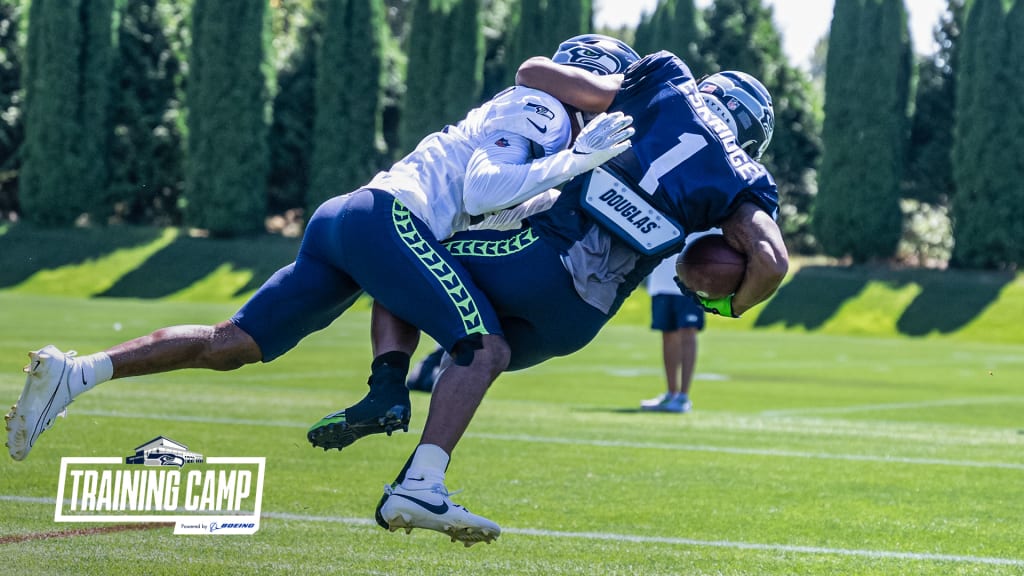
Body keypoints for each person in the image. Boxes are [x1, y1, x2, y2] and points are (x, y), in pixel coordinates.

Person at [5, 36, 639, 546]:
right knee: (485, 349)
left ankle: (77, 373)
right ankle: (420, 486)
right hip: (386, 218)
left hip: (357, 222)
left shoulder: (547, 119)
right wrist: (575, 161)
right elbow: (481, 188)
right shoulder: (544, 108)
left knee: (233, 344)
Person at [337, 50, 790, 544]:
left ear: (713, 88)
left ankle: (387, 385)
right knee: (483, 353)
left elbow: (533, 73)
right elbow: (772, 260)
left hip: (535, 259)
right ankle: (421, 484)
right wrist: (726, 303)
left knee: (403, 248)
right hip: (579, 320)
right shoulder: (743, 174)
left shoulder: (667, 81)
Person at [640, 246, 706, 413]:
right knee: (667, 334)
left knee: (688, 333)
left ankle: (683, 397)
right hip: (660, 282)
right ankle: (671, 393)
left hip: (691, 281)